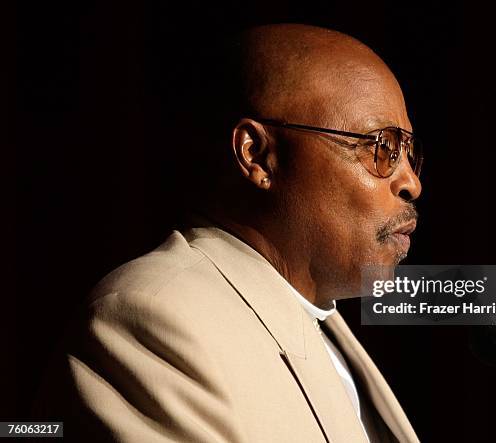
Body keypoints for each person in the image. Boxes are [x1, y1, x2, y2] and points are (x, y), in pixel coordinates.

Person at [35, 23, 422, 442]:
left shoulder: (324, 323)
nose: (410, 183)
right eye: (380, 146)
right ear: (257, 155)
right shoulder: (153, 318)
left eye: (409, 153)